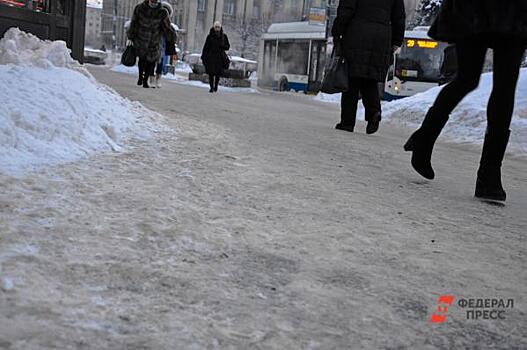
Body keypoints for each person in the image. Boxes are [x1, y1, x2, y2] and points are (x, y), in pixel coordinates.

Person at [404, 0, 527, 202]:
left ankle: (489, 172)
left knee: (503, 85)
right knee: (468, 79)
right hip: (475, 8)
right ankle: (425, 139)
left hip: (509, 11)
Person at [331, 0, 405, 134]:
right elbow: (399, 18)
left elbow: (346, 11)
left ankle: (347, 123)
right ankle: (374, 113)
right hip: (382, 39)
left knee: (351, 80)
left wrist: (337, 32)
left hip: (356, 34)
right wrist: (396, 41)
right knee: (369, 79)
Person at [127, 0, 177, 88]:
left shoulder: (162, 12)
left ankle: (145, 81)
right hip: (141, 38)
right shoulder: (140, 8)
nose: (153, 3)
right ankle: (140, 77)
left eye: (155, 1)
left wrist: (172, 37)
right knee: (142, 60)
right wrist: (131, 35)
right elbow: (134, 22)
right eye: (152, 1)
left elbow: (167, 27)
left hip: (154, 40)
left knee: (150, 61)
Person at [201, 21, 230, 93]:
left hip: (220, 57)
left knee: (218, 73)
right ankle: (211, 87)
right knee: (211, 73)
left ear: (220, 28)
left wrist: (222, 46)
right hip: (211, 57)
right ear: (214, 27)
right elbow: (206, 47)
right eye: (216, 27)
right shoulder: (210, 36)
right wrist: (203, 56)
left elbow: (227, 46)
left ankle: (216, 86)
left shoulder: (224, 36)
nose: (217, 28)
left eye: (218, 27)